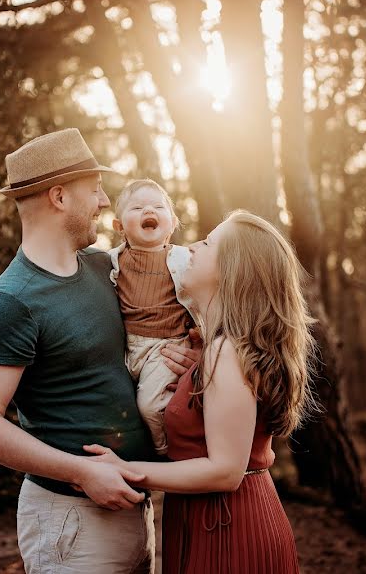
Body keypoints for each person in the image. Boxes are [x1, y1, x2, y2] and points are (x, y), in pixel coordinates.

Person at [0, 128, 199, 574]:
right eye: (95, 190)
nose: (106, 202)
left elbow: (160, 320)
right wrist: (81, 472)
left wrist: (190, 359)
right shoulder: (14, 301)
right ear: (59, 198)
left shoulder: (106, 268)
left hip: (135, 510)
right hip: (71, 518)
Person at [84, 210, 322, 574]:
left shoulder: (226, 352)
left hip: (230, 529)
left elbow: (226, 471)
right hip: (206, 517)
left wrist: (126, 470)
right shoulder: (216, 349)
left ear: (231, 268)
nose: (192, 246)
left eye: (208, 243)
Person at [109, 179, 200, 455]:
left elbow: (208, 299)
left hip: (167, 346)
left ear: (172, 223)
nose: (148, 210)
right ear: (119, 226)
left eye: (158, 206)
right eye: (137, 207)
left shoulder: (185, 259)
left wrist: (202, 336)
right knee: (125, 410)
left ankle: (165, 452)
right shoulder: (111, 261)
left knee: (149, 405)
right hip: (128, 348)